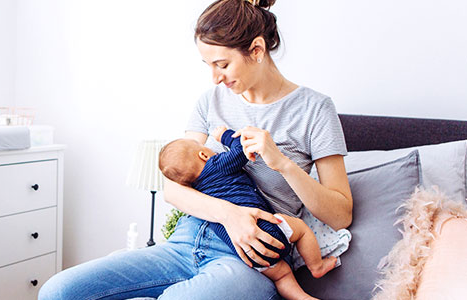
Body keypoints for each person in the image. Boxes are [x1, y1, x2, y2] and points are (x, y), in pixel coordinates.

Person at [39, 0, 352, 298]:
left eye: (222, 64)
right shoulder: (210, 103)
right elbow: (173, 191)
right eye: (208, 65)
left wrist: (282, 163)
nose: (215, 78)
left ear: (256, 50)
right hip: (186, 239)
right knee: (58, 291)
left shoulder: (314, 109)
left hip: (251, 258)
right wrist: (231, 215)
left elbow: (340, 215)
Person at [158, 126, 338, 300]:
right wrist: (225, 136)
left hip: (246, 251)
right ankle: (317, 266)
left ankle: (303, 298)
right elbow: (240, 151)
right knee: (301, 229)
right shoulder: (217, 164)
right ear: (203, 154)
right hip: (267, 230)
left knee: (281, 275)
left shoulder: (196, 191)